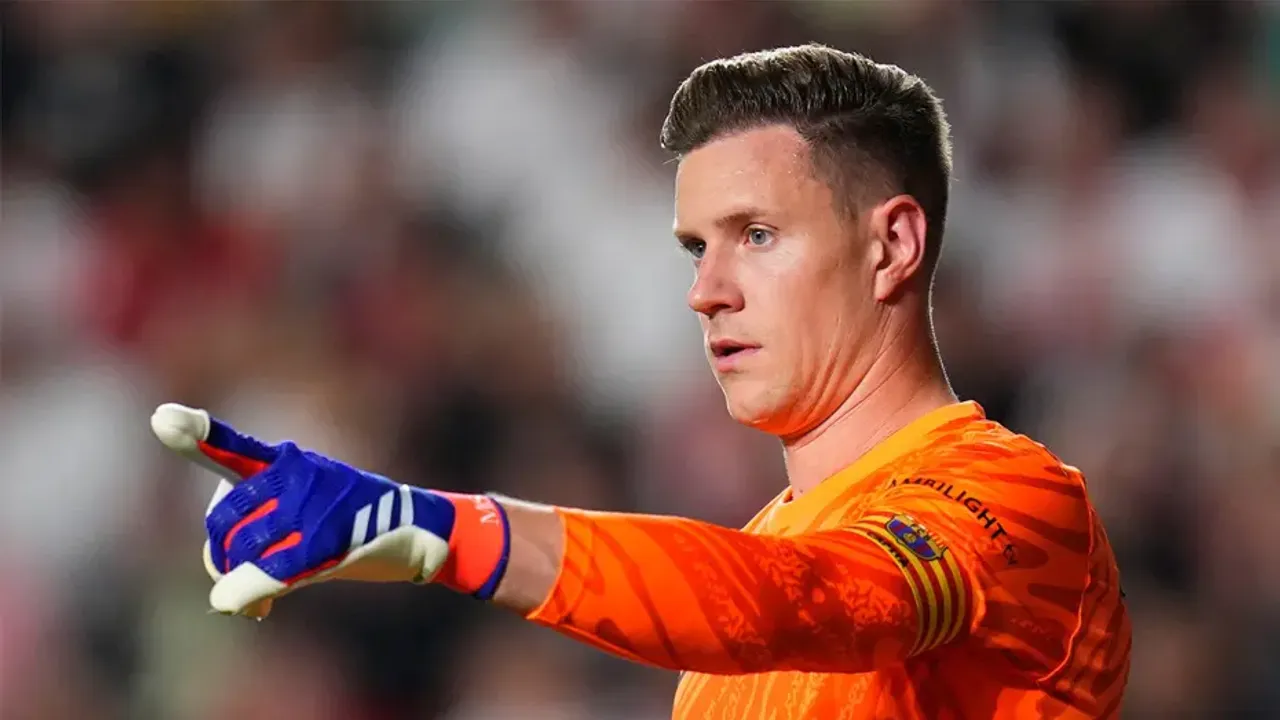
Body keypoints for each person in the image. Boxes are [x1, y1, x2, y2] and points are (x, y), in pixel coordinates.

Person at [153, 45, 1130, 719]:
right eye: (696, 248)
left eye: (756, 235)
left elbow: (812, 601)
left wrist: (448, 530)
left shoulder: (1014, 498)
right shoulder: (734, 615)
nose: (705, 292)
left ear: (893, 245)